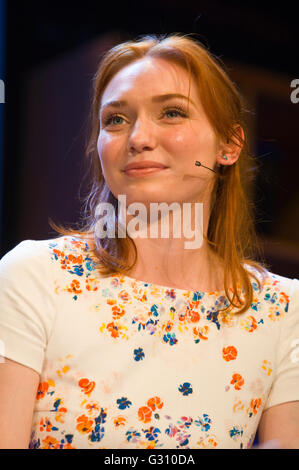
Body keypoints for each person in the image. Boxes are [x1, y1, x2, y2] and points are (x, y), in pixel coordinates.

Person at [0, 33, 298, 450]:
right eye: (115, 120)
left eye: (172, 113)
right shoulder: (36, 276)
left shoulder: (282, 309)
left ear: (229, 145)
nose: (138, 138)